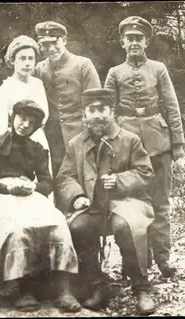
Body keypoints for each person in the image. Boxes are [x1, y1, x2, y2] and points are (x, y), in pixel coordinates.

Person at [57, 88, 156, 314]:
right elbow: (65, 176)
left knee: (126, 226)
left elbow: (145, 172)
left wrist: (120, 180)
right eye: (92, 110)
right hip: (92, 206)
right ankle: (98, 285)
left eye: (102, 109)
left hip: (128, 202)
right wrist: (77, 196)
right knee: (78, 227)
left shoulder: (130, 140)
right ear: (84, 115)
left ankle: (142, 287)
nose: (97, 115)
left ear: (112, 112)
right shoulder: (75, 144)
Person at [0, 99, 81, 313]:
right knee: (18, 227)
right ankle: (24, 288)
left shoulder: (37, 148)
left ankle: (63, 289)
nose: (25, 124)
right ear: (13, 117)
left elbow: (47, 182)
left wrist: (31, 187)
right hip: (0, 193)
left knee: (57, 221)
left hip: (27, 191)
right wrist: (9, 189)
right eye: (22, 118)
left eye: (31, 122)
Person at [103, 16, 185, 277]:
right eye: (130, 38)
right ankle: (139, 261)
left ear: (146, 42)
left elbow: (171, 106)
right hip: (127, 144)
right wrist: (109, 144)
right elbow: (107, 111)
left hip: (158, 144)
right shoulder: (114, 73)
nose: (135, 42)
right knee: (132, 203)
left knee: (160, 204)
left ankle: (163, 259)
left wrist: (178, 143)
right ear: (122, 42)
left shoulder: (158, 68)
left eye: (139, 38)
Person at [33, 21, 101, 180]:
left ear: (64, 40)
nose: (51, 49)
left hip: (80, 133)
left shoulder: (83, 64)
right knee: (56, 178)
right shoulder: (39, 69)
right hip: (52, 137)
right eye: (45, 44)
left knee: (83, 178)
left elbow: (95, 102)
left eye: (55, 42)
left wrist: (91, 134)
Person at [0, 35, 52, 175]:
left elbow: (44, 115)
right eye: (22, 58)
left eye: (31, 58)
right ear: (13, 61)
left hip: (38, 140)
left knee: (43, 182)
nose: (27, 63)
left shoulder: (38, 84)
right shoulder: (4, 90)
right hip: (15, 145)